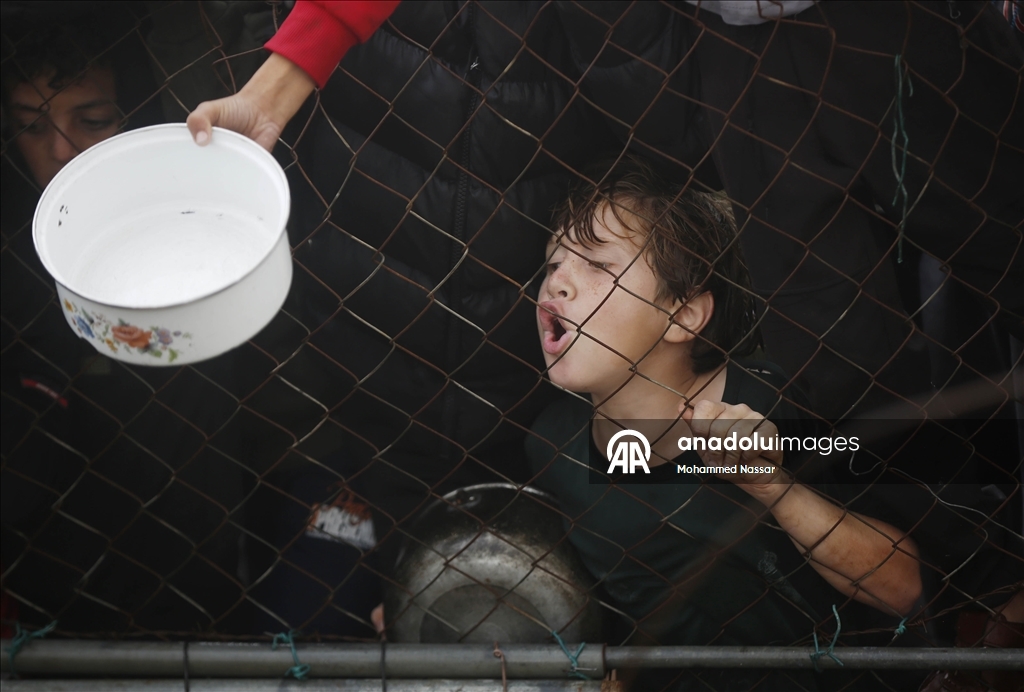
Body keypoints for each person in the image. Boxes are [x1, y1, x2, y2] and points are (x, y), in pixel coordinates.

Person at [526, 157, 922, 690]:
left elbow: (907, 588)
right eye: (552, 265)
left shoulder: (772, 403)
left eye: (597, 264)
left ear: (683, 314)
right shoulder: (553, 446)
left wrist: (773, 487)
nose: (557, 286)